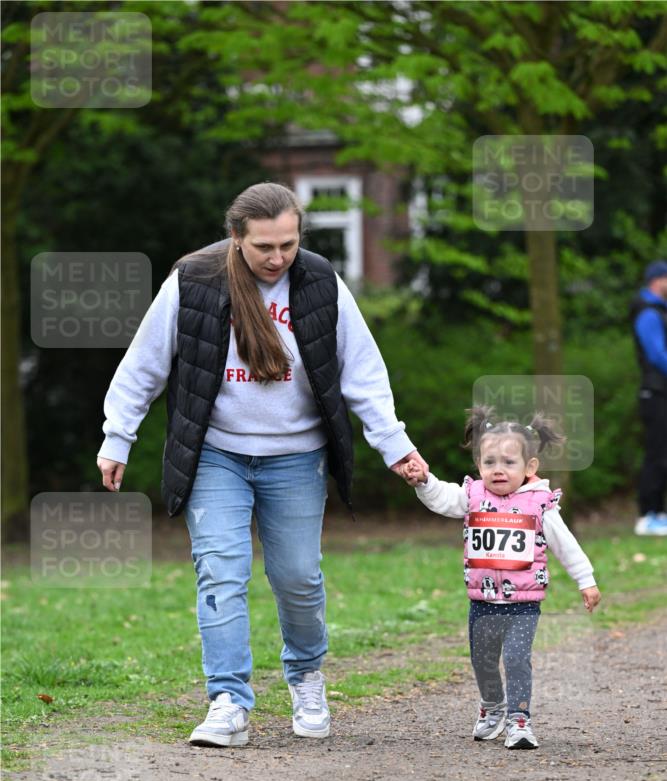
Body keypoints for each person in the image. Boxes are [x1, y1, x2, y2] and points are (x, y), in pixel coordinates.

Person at [97, 182, 428, 747]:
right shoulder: (194, 280)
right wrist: (117, 437)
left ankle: (306, 676)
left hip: (297, 456)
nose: (278, 258)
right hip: (216, 454)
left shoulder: (320, 281)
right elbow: (144, 364)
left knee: (297, 577)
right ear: (236, 237)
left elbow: (362, 372)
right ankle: (227, 700)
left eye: (288, 245)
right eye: (264, 247)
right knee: (220, 571)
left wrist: (394, 445)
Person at [402, 406, 601, 750]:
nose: (498, 469)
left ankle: (519, 718)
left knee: (515, 659)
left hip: (524, 603)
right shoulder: (472, 496)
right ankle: (492, 706)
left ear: (529, 467)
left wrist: (586, 579)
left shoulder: (539, 504)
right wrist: (424, 482)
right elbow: (442, 499)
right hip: (482, 602)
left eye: (509, 462)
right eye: (490, 462)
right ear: (478, 465)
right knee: (483, 661)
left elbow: (565, 544)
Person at [631, 260, 667, 536]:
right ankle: (647, 515)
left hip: (661, 392)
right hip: (654, 392)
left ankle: (659, 512)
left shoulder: (659, 310)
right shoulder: (648, 312)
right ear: (658, 280)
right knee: (657, 453)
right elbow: (657, 355)